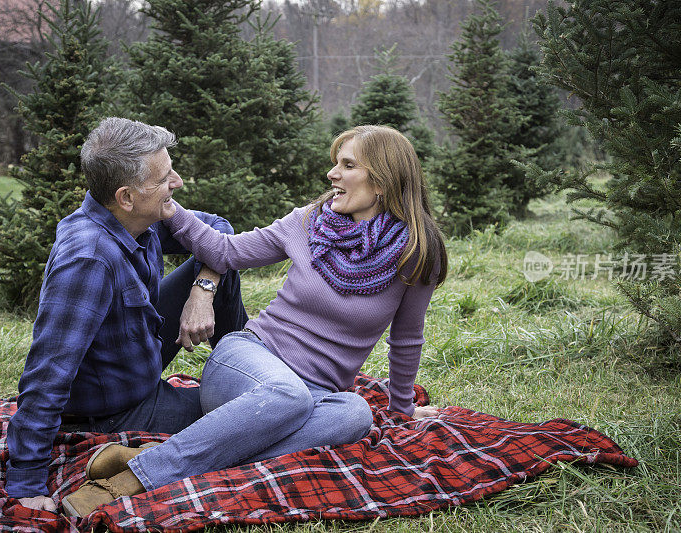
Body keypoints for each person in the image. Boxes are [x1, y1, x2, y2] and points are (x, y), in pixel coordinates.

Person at [63, 125, 448, 517]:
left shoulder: (418, 252)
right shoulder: (307, 222)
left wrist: (402, 408)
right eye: (335, 163)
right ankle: (134, 478)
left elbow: (406, 338)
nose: (332, 174)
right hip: (247, 360)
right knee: (289, 394)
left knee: (356, 413)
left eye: (347, 165)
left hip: (315, 393)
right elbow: (225, 251)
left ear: (382, 180)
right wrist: (171, 210)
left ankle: (162, 456)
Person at [5, 117, 248, 512]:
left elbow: (219, 230)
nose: (178, 182)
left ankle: (248, 369)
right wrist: (26, 483)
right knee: (252, 419)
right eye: (165, 177)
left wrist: (202, 292)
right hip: (116, 409)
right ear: (126, 197)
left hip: (141, 348)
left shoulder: (140, 219)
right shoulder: (87, 261)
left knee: (220, 261)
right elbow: (47, 374)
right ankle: (253, 395)